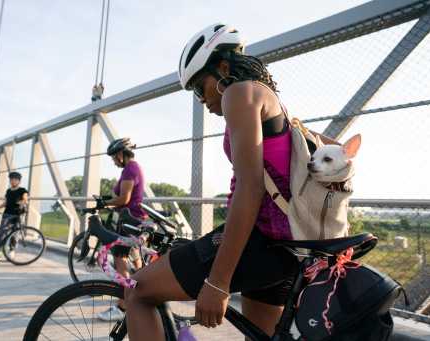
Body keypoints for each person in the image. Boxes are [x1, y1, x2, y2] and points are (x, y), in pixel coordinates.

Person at [124, 24, 304, 340]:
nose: (199, 100)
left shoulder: (240, 92)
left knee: (137, 290)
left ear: (222, 68)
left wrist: (218, 281)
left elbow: (251, 188)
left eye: (198, 87)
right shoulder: (272, 101)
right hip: (288, 247)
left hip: (259, 242)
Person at [96, 137, 148, 321]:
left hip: (130, 221)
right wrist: (109, 201)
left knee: (120, 261)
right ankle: (139, 299)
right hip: (133, 220)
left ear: (120, 154)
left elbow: (124, 199)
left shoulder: (130, 169)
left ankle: (122, 307)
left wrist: (104, 203)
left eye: (113, 157)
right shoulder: (132, 168)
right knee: (136, 264)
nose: (113, 161)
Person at [0, 171, 28, 264]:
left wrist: (22, 202)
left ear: (19, 181)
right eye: (11, 179)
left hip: (18, 215)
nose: (13, 181)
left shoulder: (22, 190)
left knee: (15, 234)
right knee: (2, 234)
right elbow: (5, 203)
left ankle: (12, 250)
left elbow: (25, 198)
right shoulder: (8, 191)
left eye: (15, 180)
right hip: (7, 214)